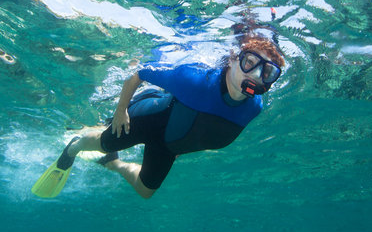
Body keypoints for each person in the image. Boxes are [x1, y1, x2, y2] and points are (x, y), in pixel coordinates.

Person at [32, 34, 285, 199]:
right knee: (102, 142)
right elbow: (139, 73)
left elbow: (210, 129)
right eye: (250, 62)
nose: (254, 75)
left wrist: (183, 145)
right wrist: (120, 112)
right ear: (232, 60)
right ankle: (74, 147)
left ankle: (114, 164)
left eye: (267, 72)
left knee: (145, 191)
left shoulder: (254, 108)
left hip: (169, 144)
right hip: (148, 118)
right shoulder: (193, 81)